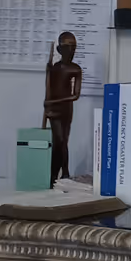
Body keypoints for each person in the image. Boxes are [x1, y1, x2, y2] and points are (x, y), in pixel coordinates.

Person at [43, 31, 83, 185]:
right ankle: (54, 175)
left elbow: (75, 95)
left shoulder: (75, 69)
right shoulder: (54, 68)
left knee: (62, 141)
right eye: (67, 47)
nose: (71, 51)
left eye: (74, 47)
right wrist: (48, 104)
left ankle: (64, 173)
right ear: (59, 50)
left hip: (65, 110)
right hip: (53, 110)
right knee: (57, 141)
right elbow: (49, 89)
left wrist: (54, 102)